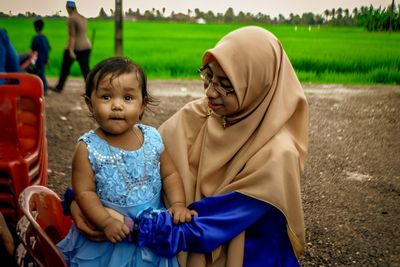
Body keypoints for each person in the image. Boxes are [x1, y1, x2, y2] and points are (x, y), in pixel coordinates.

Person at [71, 26, 308, 266]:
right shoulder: (201, 114)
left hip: (247, 256)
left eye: (226, 84)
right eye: (208, 76)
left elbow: (207, 226)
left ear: (258, 86)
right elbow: (135, 162)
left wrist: (128, 227)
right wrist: (80, 202)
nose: (210, 91)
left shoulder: (277, 155)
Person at [57, 57, 197, 266]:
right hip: (108, 236)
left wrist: (178, 204)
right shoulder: (88, 148)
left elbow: (169, 175)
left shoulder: (152, 138)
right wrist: (105, 222)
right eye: (106, 97)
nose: (117, 105)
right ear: (89, 103)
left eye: (128, 98)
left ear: (143, 104)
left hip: (149, 236)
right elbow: (84, 193)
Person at [50, 0, 91, 93]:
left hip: (76, 47)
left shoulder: (71, 19)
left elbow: (72, 36)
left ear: (68, 8)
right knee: (85, 69)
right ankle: (91, 89)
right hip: (87, 46)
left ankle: (59, 87)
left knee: (65, 68)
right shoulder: (83, 17)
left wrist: (71, 50)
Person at [30, 18, 51, 94]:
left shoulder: (36, 38)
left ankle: (43, 89)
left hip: (37, 60)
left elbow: (32, 50)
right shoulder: (45, 38)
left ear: (36, 28)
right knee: (41, 73)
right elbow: (47, 49)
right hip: (43, 59)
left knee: (39, 75)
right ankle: (43, 89)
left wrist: (31, 61)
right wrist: (47, 59)